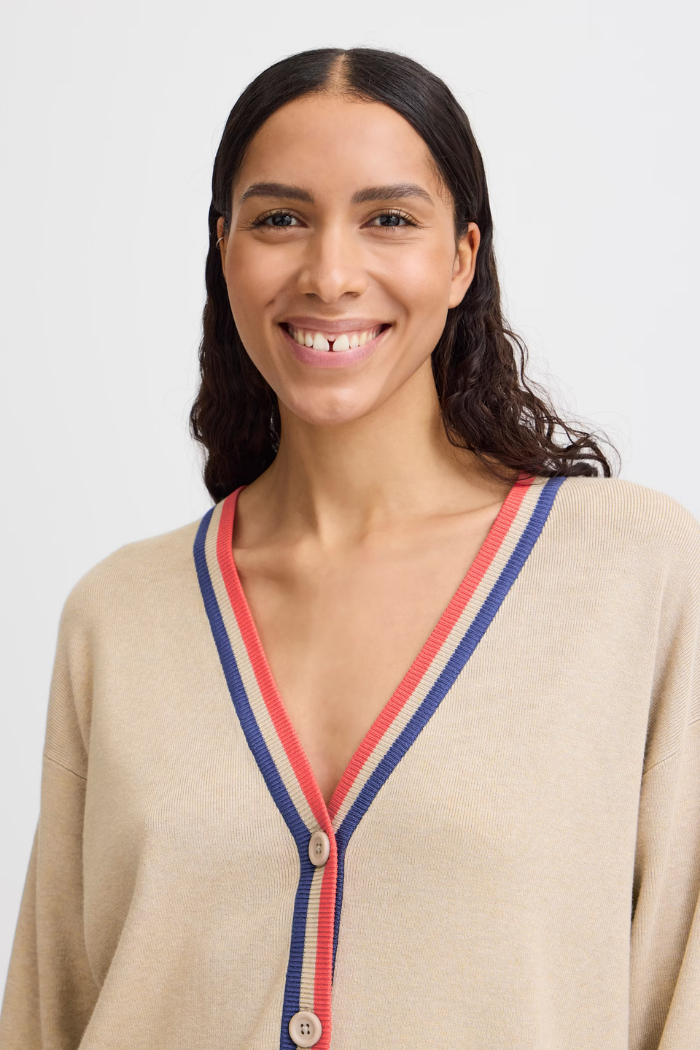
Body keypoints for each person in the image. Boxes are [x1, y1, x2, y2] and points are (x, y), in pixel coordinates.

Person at [1, 46, 698, 1050]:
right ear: (224, 249)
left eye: (390, 220)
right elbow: (47, 1010)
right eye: (280, 219)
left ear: (460, 258)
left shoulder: (637, 575)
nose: (329, 274)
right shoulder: (116, 615)